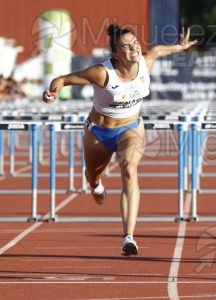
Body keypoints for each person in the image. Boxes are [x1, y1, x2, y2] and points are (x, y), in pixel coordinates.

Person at [42, 24, 199, 256]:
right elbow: (62, 79)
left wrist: (180, 46)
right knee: (92, 176)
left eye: (135, 43)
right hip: (99, 132)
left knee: (129, 169)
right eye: (126, 46)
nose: (133, 48)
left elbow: (157, 51)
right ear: (115, 53)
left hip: (131, 128)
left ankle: (129, 237)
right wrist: (52, 93)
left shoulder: (145, 61)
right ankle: (96, 186)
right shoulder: (102, 73)